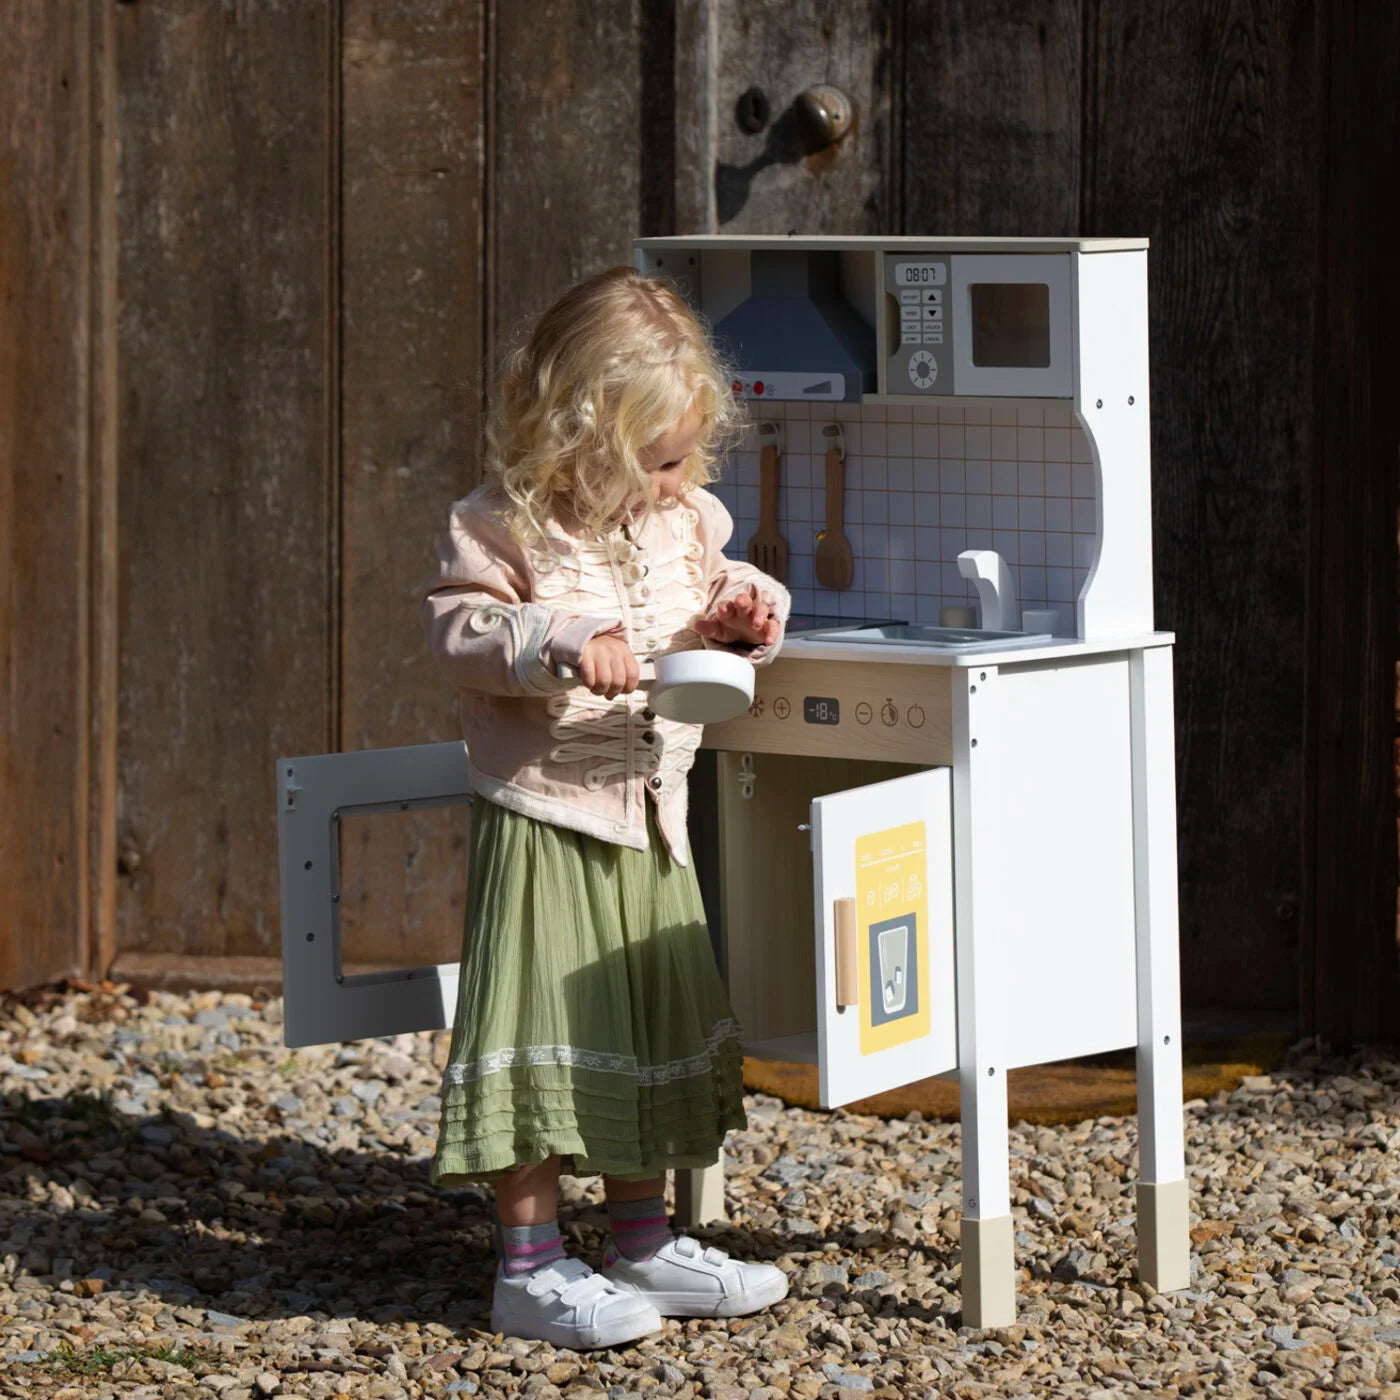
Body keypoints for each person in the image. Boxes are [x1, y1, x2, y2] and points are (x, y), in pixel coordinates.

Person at [420, 265, 792, 1349]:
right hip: (549, 813)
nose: (680, 482)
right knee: (541, 1034)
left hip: (653, 810)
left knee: (642, 1019)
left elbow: (706, 599)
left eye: (686, 457)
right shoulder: (503, 526)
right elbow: (456, 629)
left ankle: (640, 1239)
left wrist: (741, 609)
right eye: (658, 461)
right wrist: (560, 640)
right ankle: (527, 1267)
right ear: (579, 436)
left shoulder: (685, 520)